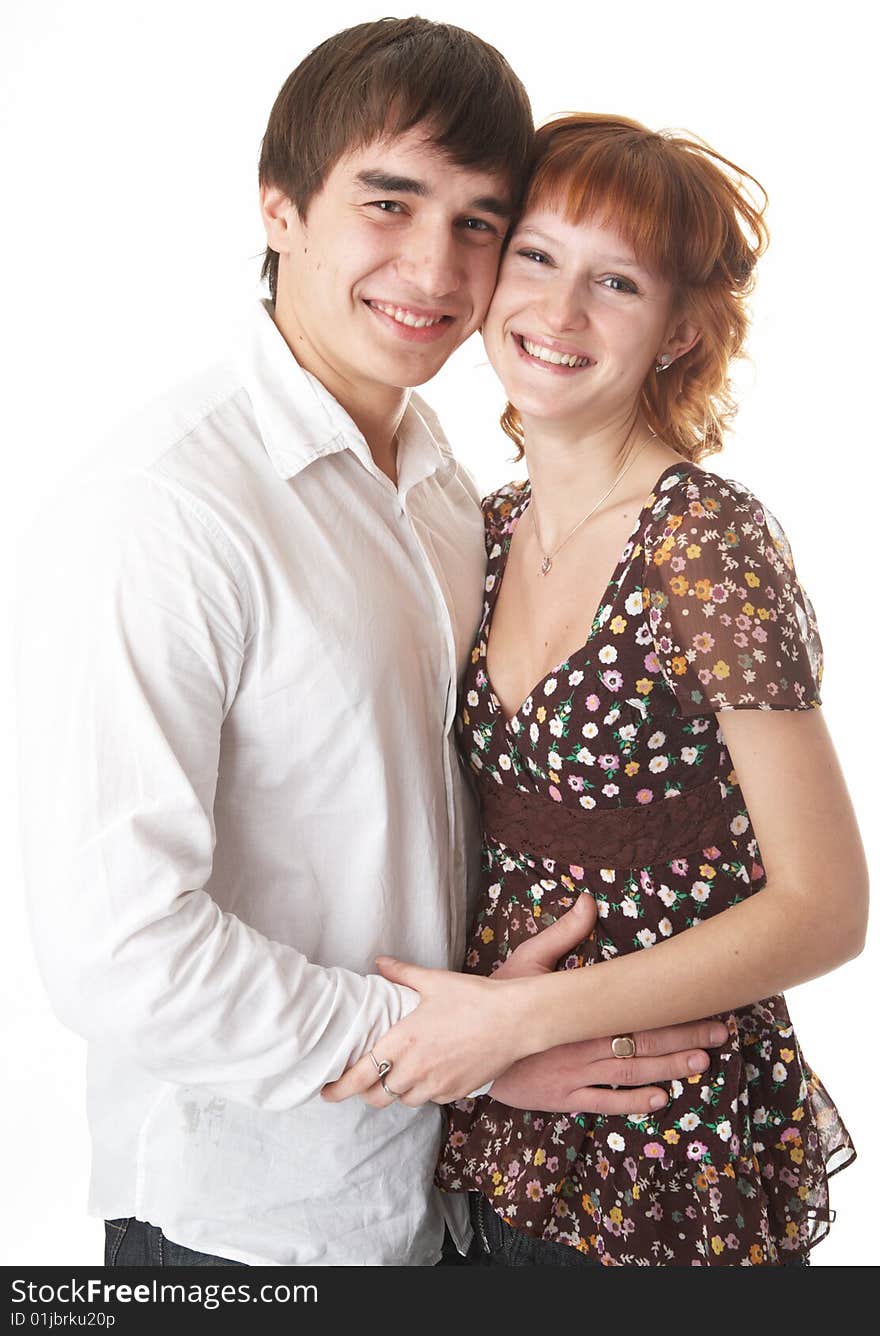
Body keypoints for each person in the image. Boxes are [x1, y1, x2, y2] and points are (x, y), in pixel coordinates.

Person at [15, 27, 725, 1269]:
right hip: (244, 1225)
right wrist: (455, 1039)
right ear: (279, 207)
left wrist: (523, 1021)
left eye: (476, 222)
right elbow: (117, 948)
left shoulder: (447, 488)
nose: (435, 265)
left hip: (445, 1195)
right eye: (389, 203)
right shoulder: (168, 505)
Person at [323, 114, 867, 1266]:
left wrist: (522, 1017)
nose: (559, 314)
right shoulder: (479, 526)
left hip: (664, 1138)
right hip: (496, 1123)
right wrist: (488, 1038)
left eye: (614, 282)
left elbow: (826, 905)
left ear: (678, 331)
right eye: (535, 256)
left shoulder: (705, 546)